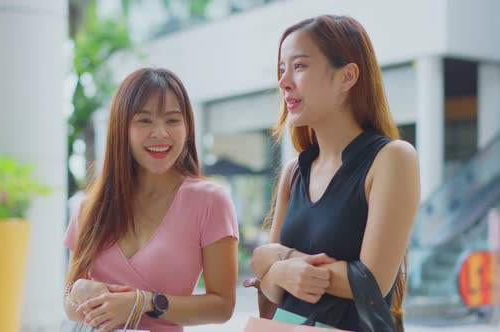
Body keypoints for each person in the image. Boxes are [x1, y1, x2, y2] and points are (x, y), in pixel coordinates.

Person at [250, 15, 421, 331]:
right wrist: (278, 272)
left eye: (299, 66)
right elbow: (268, 285)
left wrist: (283, 258)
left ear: (347, 76)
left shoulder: (392, 158)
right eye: (281, 69)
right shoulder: (294, 173)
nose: (284, 81)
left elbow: (371, 283)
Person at [63, 68, 239, 331]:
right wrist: (80, 289)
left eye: (172, 120)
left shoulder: (210, 201)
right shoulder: (90, 208)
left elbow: (222, 306)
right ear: (121, 128)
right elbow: (69, 304)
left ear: (187, 127)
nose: (160, 133)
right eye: (144, 121)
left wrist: (144, 302)